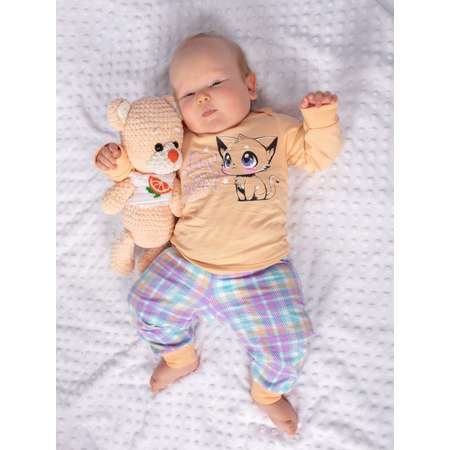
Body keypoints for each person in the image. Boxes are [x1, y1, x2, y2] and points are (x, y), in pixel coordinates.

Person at [95, 32, 342, 436]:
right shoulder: (180, 144)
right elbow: (144, 171)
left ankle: (268, 392)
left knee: (290, 337)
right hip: (188, 260)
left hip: (260, 270)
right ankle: (179, 357)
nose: (204, 98)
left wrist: (321, 119)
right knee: (146, 304)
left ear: (250, 86)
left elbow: (318, 155)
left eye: (215, 82)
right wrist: (116, 161)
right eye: (189, 94)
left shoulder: (272, 128)